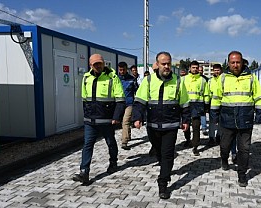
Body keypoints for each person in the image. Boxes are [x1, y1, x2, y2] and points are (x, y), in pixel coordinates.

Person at [132, 51, 190, 199]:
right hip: (153, 125)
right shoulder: (148, 80)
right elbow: (139, 101)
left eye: (168, 63)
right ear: (157, 65)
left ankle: (163, 183)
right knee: (158, 151)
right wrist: (137, 118)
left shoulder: (178, 81)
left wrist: (186, 120)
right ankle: (163, 164)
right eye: (163, 63)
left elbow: (184, 103)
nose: (166, 66)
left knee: (168, 154)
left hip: (171, 126)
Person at [211, 51, 261, 187]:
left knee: (244, 149)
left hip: (245, 119)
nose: (235, 65)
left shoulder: (251, 78)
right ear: (228, 63)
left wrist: (259, 112)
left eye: (238, 62)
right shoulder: (222, 78)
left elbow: (258, 96)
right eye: (232, 62)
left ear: (242, 62)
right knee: (225, 146)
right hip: (227, 119)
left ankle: (242, 175)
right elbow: (216, 97)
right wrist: (214, 114)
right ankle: (224, 160)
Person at [72, 54, 125, 184]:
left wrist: (116, 117)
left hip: (107, 119)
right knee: (87, 145)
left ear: (103, 63)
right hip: (90, 120)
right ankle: (84, 172)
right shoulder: (86, 77)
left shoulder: (112, 77)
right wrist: (86, 116)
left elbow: (120, 99)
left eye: (100, 63)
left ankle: (113, 162)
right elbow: (85, 99)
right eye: (95, 64)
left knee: (110, 142)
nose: (98, 66)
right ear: (91, 65)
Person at [183, 61, 210, 156]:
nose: (195, 69)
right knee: (185, 125)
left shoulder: (203, 80)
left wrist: (206, 105)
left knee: (196, 126)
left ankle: (195, 146)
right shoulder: (183, 79)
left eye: (196, 67)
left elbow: (206, 93)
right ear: (189, 68)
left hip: (198, 105)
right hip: (186, 105)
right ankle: (187, 139)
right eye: (193, 67)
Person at [117, 62, 138, 150]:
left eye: (123, 69)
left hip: (129, 103)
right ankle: (128, 135)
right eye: (120, 70)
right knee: (125, 122)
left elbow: (137, 91)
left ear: (127, 69)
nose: (122, 71)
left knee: (125, 121)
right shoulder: (116, 79)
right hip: (119, 103)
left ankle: (124, 141)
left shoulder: (132, 79)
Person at [198, 66, 209, 136]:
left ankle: (204, 128)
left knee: (203, 114)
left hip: (202, 101)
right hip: (193, 101)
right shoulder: (191, 78)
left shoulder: (205, 79)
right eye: (199, 70)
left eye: (201, 70)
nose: (200, 71)